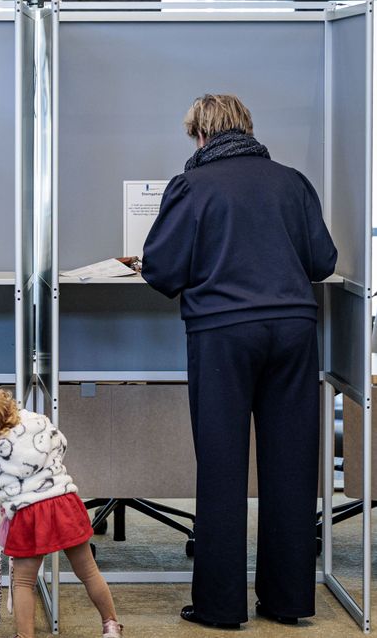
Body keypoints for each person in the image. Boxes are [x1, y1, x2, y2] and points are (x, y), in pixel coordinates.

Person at [142, 94, 338, 628]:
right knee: (293, 469)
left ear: (201, 135)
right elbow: (323, 261)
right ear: (246, 129)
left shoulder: (192, 185)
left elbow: (161, 271)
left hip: (224, 334)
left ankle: (220, 606)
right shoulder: (292, 181)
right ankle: (287, 601)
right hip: (295, 332)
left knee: (224, 469)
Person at [0, 387, 123, 638]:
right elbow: (62, 444)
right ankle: (110, 625)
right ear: (4, 402)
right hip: (63, 503)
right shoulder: (37, 422)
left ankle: (25, 636)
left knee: (23, 583)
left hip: (27, 515)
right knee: (88, 571)